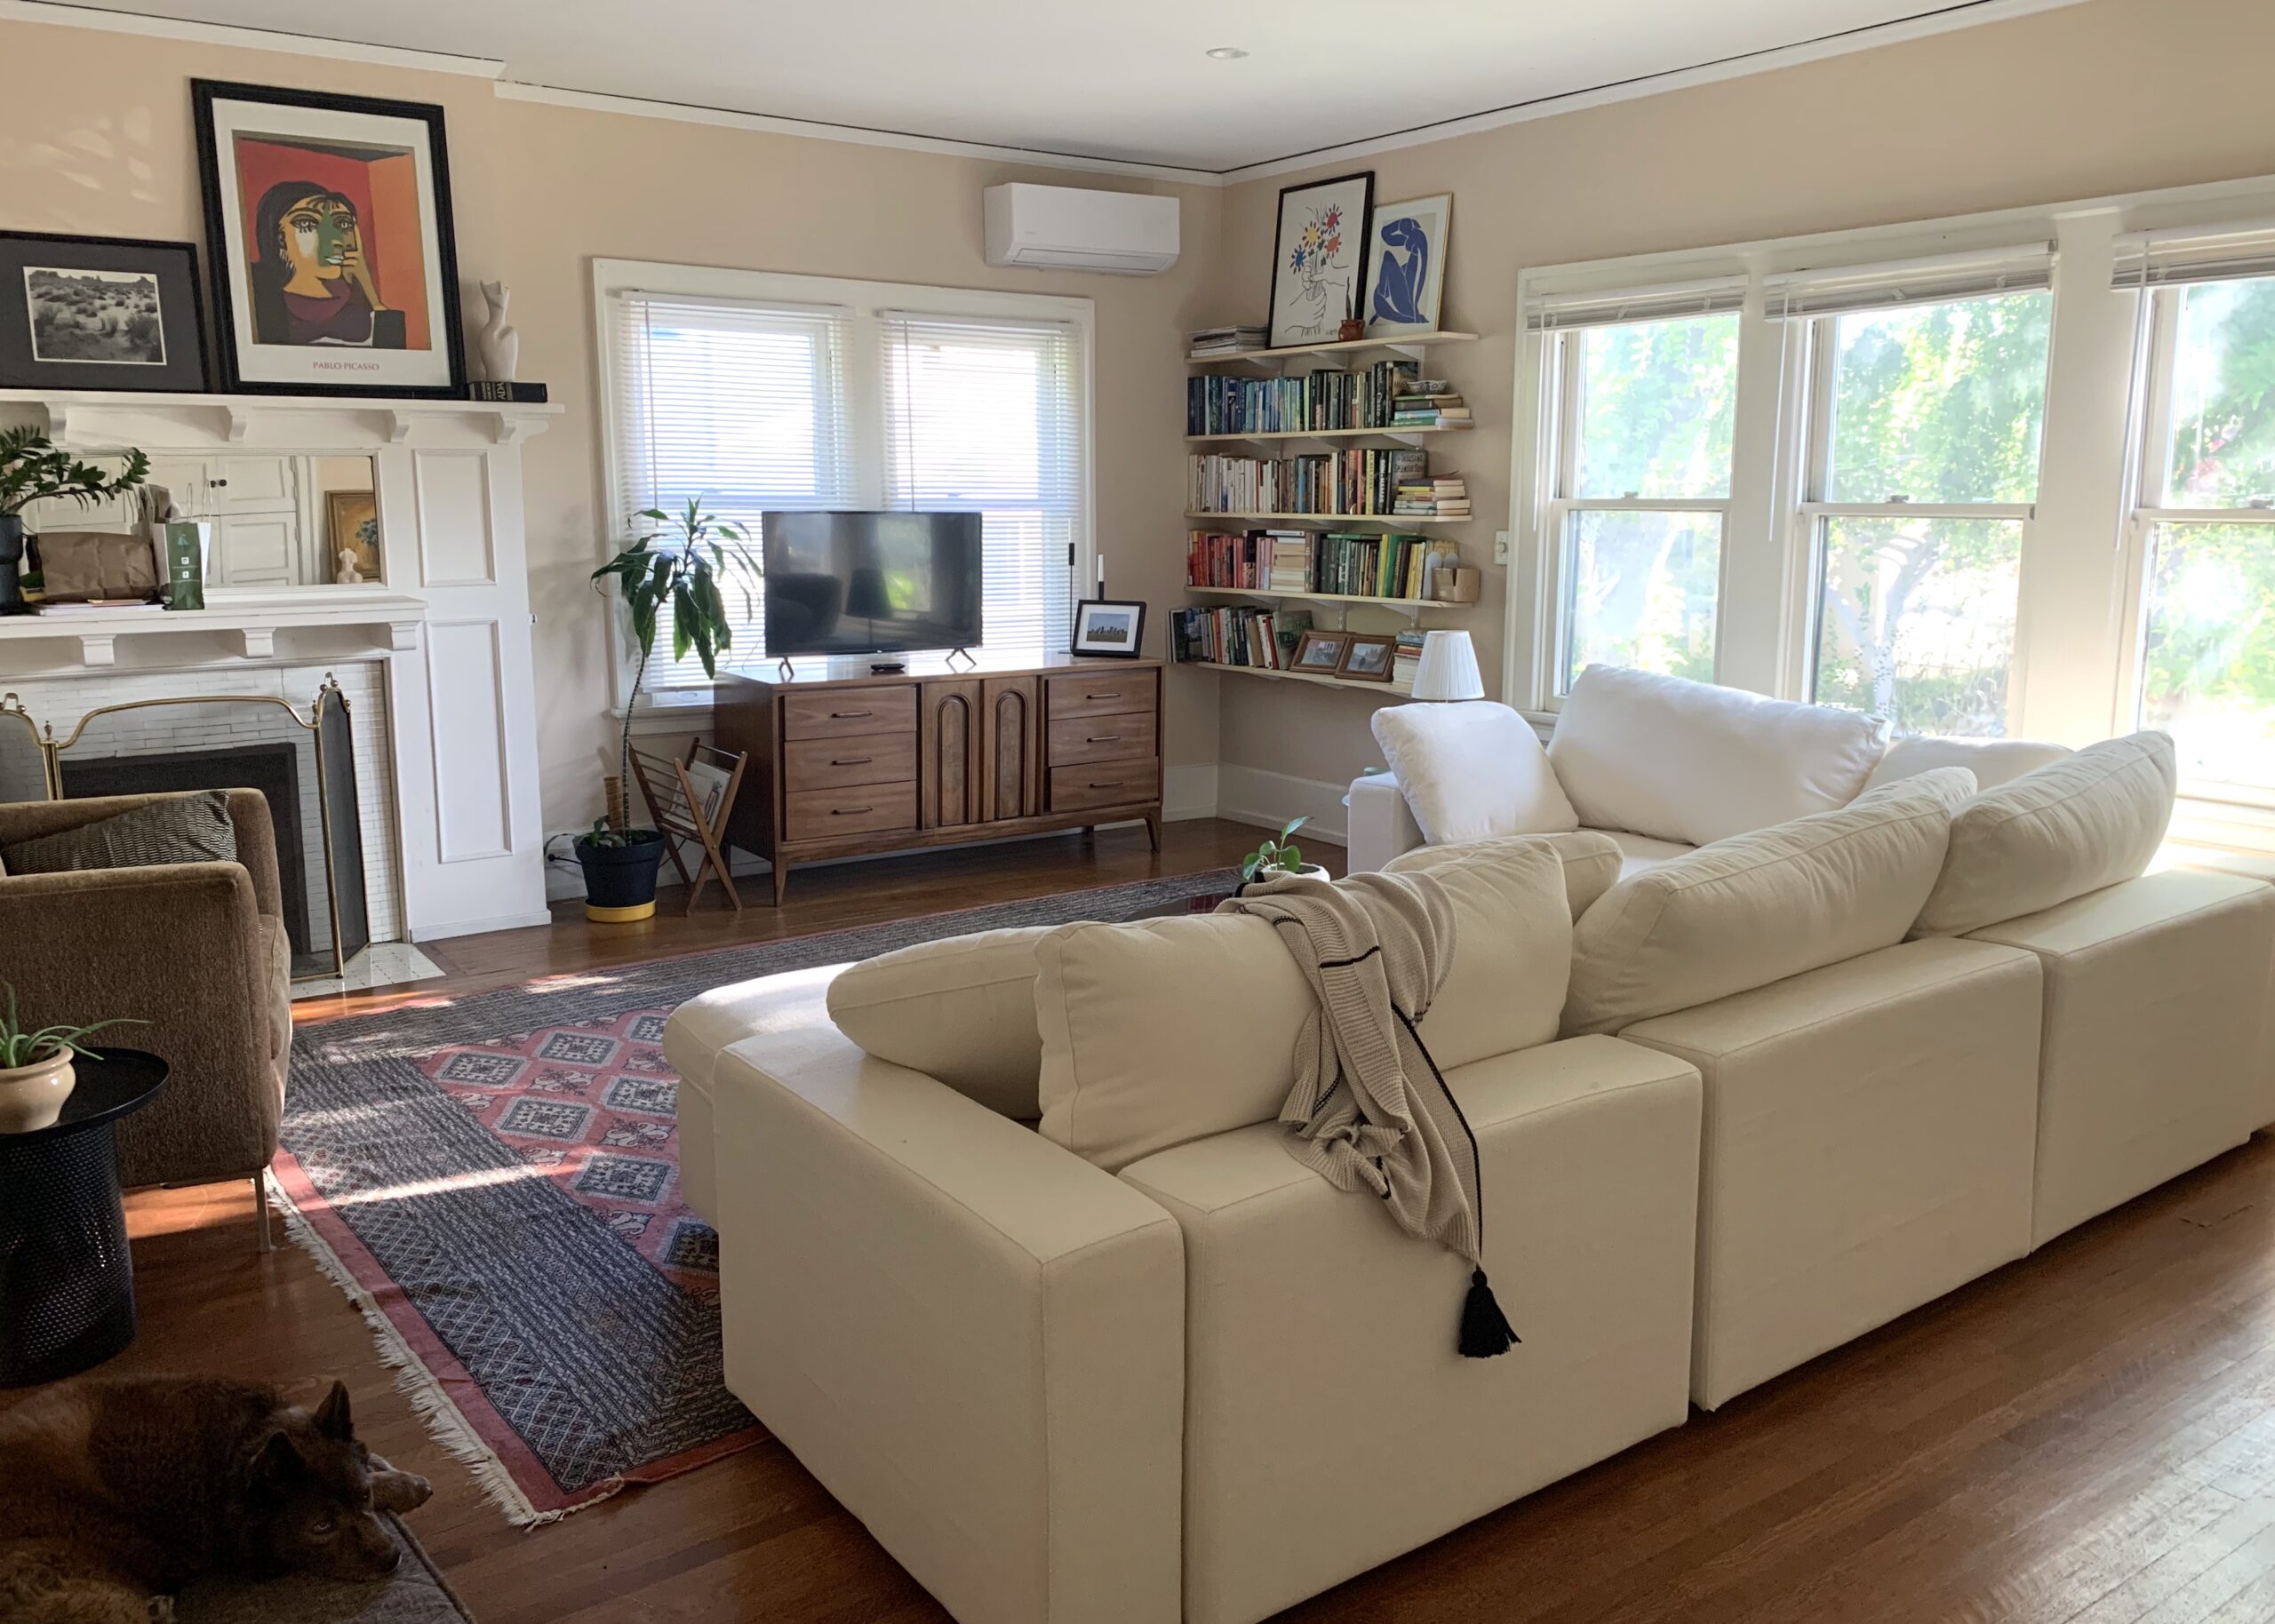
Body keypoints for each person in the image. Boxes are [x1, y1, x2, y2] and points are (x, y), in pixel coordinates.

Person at [247, 179, 407, 349]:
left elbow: (394, 363)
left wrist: (371, 294)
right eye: (308, 224)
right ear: (281, 239)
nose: (335, 240)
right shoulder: (258, 297)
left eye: (343, 224)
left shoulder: (359, 304)